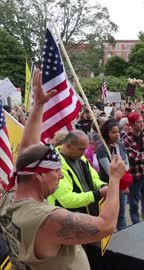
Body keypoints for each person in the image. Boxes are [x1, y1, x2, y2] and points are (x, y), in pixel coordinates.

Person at [0, 70, 126, 269]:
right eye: (56, 170)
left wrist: (39, 105)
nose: (60, 174)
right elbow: (106, 225)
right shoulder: (47, 218)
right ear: (39, 176)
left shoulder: (11, 195)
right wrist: (115, 179)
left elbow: (26, 151)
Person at [47, 130, 108, 216]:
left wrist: (102, 185)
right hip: (68, 219)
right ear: (68, 146)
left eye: (85, 148)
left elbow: (94, 178)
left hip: (89, 214)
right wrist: (97, 194)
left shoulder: (80, 156)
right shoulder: (55, 164)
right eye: (81, 149)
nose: (85, 152)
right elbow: (66, 199)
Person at [122, 112, 144, 224]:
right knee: (134, 204)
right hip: (135, 177)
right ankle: (136, 225)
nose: (142, 124)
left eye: (142, 121)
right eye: (139, 122)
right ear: (132, 124)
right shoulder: (126, 139)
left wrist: (143, 155)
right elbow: (132, 157)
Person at [97, 119, 130, 230]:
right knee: (111, 215)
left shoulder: (120, 145)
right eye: (113, 132)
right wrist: (119, 169)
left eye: (118, 132)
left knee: (121, 213)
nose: (117, 135)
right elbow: (109, 170)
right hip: (109, 185)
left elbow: (126, 164)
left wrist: (124, 182)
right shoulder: (101, 149)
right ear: (107, 133)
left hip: (122, 184)